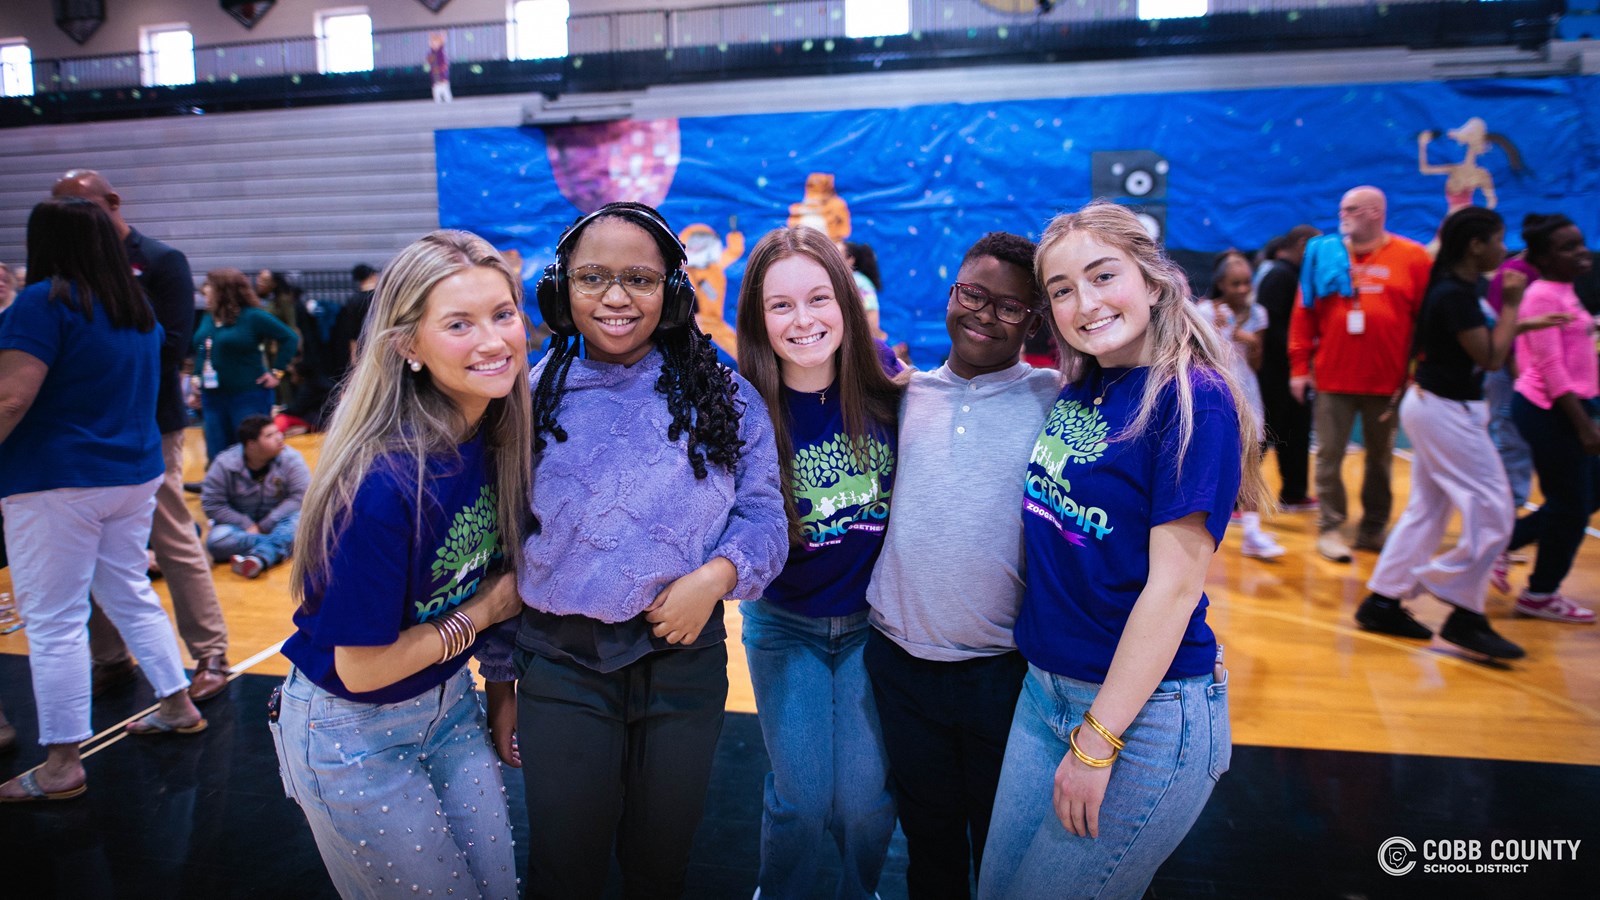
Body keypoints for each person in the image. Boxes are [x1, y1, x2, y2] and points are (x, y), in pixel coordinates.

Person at [979, 202, 1260, 899]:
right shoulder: (1090, 386)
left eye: (1104, 276)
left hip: (1138, 716)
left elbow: (1173, 588)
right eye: (1063, 289)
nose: (1086, 302)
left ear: (1155, 280)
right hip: (1044, 694)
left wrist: (1099, 738)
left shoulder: (1195, 398)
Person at [516, 201, 788, 899]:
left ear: (670, 292)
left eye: (638, 279)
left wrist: (716, 578)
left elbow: (764, 517)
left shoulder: (723, 395)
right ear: (560, 288)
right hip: (561, 665)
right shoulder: (524, 397)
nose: (614, 297)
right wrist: (497, 681)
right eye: (592, 278)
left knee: (659, 869)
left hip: (682, 666)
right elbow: (499, 542)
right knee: (562, 870)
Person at [271, 230, 530, 897]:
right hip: (350, 729)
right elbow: (363, 667)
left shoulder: (497, 433)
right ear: (407, 348)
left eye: (503, 314)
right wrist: (486, 611)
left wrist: (501, 692)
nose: (495, 341)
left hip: (451, 707)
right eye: (458, 325)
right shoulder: (384, 485)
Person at [864, 232, 1060, 898]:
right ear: (952, 291)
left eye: (1010, 307)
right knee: (930, 841)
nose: (984, 314)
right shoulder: (902, 394)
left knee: (1004, 849)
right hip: (900, 664)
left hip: (1003, 675)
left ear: (1034, 320)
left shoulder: (1052, 397)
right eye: (972, 293)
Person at [0, 197, 208, 803]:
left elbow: (12, 399)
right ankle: (177, 704)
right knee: (129, 593)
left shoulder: (44, 303)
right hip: (131, 473)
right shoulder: (134, 306)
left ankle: (62, 764)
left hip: (58, 479)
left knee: (54, 621)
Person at [734, 227, 901, 899]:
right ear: (758, 317)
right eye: (781, 306)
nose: (803, 321)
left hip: (873, 628)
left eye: (818, 298)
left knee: (864, 804)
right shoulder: (742, 401)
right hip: (786, 626)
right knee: (802, 803)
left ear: (847, 303)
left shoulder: (886, 380)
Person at [1355, 207, 1572, 658]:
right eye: (1497, 239)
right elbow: (1491, 357)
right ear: (1475, 244)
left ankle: (1383, 600)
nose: (1503, 248)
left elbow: (1475, 337)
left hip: (1440, 406)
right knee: (1494, 510)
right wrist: (1514, 304)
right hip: (1445, 410)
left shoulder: (1460, 289)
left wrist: (1521, 322)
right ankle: (1461, 608)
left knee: (1428, 511)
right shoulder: (1455, 292)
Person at [51, 169, 232, 704]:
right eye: (58, 206)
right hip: (84, 428)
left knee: (171, 531)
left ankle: (210, 652)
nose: (68, 217)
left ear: (111, 202)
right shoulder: (65, 274)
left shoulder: (159, 260)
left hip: (151, 421)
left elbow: (170, 344)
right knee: (87, 544)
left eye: (78, 205)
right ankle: (109, 656)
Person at [1289, 186, 1432, 562]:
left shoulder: (1413, 257)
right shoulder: (1324, 253)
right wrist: (1299, 367)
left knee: (1381, 459)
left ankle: (1373, 528)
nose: (1343, 214)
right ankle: (1331, 527)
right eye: (1342, 208)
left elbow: (1426, 320)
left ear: (1375, 212)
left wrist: (1421, 370)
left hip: (1388, 380)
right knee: (1328, 457)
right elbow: (1304, 312)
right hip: (1333, 378)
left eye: (1351, 209)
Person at [1498, 214, 1599, 624]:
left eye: (1580, 243)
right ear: (1542, 257)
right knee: (1572, 505)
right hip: (1551, 409)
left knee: (1585, 496)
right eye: (1568, 247)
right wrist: (1583, 426)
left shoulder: (1567, 290)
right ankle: (1540, 594)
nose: (1580, 252)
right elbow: (1552, 368)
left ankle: (1504, 544)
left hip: (1575, 405)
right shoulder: (1542, 296)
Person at [1199, 251, 1285, 559]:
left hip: (1247, 391)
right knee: (1212, 465)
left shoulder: (1259, 313)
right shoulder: (1205, 311)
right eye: (1235, 283)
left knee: (1250, 460)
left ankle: (1251, 531)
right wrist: (1223, 331)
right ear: (1221, 283)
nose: (1242, 289)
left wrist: (1250, 340)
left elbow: (1257, 363)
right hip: (1216, 393)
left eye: (1247, 282)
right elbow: (1199, 357)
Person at [192, 268, 299, 466]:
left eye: (209, 289)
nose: (205, 293)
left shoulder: (252, 317)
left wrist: (277, 372)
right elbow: (202, 347)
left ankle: (256, 490)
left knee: (249, 448)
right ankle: (218, 487)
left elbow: (289, 338)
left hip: (247, 395)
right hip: (213, 396)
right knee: (216, 448)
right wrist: (196, 376)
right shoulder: (208, 317)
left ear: (223, 291)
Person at [1255, 224, 1320, 511]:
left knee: (1294, 432)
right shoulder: (1280, 275)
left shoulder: (1293, 275)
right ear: (1303, 244)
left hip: (1291, 370)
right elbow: (1270, 327)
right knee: (1262, 434)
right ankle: (1229, 498)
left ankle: (1294, 492)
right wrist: (1307, 348)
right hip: (1275, 372)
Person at [200, 415, 310, 579]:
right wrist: (245, 523)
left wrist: (265, 525)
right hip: (241, 528)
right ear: (251, 445)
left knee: (302, 523)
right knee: (216, 542)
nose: (279, 438)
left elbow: (300, 497)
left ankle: (259, 558)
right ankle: (273, 549)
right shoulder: (224, 464)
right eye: (269, 436)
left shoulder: (291, 459)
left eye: (277, 432)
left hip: (281, 521)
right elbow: (212, 504)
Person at [426, 31, 452, 104]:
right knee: (436, 89)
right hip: (435, 75)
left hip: (442, 74)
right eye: (433, 43)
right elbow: (429, 61)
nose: (434, 45)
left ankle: (447, 101)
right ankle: (438, 101)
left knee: (444, 88)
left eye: (436, 43)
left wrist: (443, 68)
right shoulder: (431, 53)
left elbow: (445, 63)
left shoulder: (442, 52)